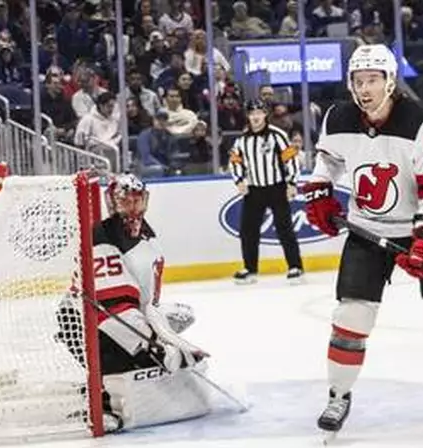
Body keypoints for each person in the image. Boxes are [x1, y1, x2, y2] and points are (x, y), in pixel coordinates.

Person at [299, 44, 423, 435]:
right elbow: (328, 160)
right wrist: (320, 189)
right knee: (350, 317)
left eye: (373, 79)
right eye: (358, 80)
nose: (365, 88)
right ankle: (338, 396)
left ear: (390, 82)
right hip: (368, 229)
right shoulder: (338, 117)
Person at [56, 174, 210, 430]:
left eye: (138, 202)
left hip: (122, 320)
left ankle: (119, 374)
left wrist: (174, 342)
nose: (134, 209)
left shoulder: (147, 238)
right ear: (113, 204)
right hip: (85, 322)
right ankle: (102, 399)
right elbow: (112, 309)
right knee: (144, 357)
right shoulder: (100, 238)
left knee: (183, 316)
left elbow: (147, 305)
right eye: (127, 203)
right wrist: (152, 346)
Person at [228, 100, 303, 284]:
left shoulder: (277, 135)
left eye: (259, 113)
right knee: (248, 231)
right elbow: (235, 161)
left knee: (285, 228)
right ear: (247, 116)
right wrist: (239, 180)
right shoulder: (242, 139)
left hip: (276, 188)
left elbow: (291, 159)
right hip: (254, 190)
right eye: (252, 113)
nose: (255, 117)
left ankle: (295, 266)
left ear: (265, 115)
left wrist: (292, 182)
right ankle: (250, 269)